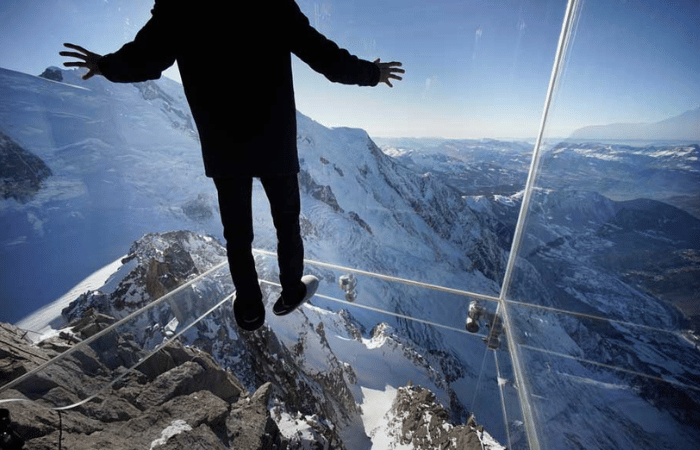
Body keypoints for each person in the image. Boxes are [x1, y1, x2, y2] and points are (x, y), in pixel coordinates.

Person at [60, 0, 404, 332]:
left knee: (237, 235)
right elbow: (324, 57)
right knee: (287, 223)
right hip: (274, 138)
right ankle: (290, 291)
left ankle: (250, 309)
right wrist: (371, 73)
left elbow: (146, 58)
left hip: (224, 143)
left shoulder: (180, 6)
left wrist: (106, 65)